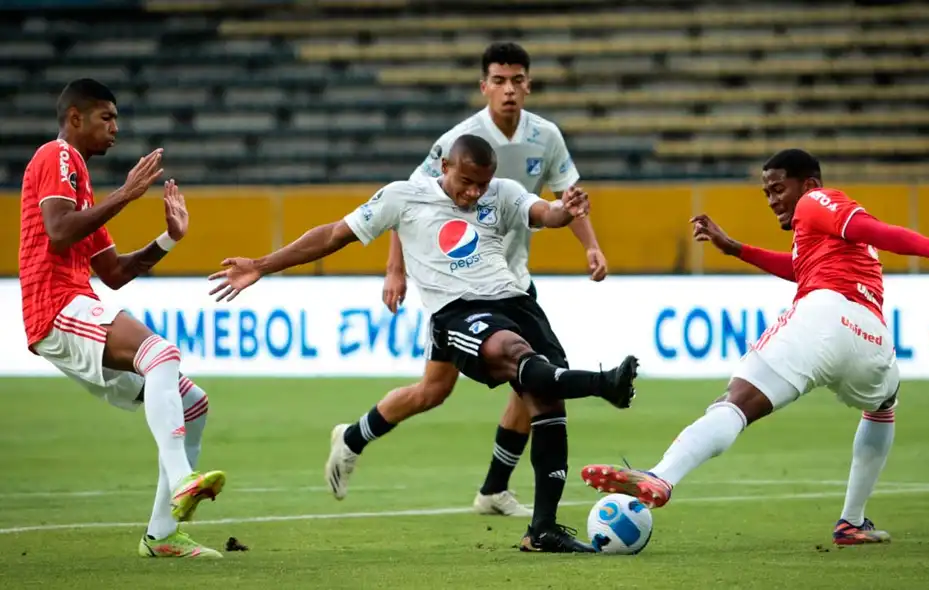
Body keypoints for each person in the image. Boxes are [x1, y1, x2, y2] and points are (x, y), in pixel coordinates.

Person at [209, 135, 638, 553]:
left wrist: (565, 210)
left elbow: (544, 212)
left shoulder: (503, 192)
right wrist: (262, 265)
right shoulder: (404, 196)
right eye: (466, 182)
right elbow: (333, 235)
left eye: (482, 184)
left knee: (539, 398)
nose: (474, 193)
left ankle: (542, 530)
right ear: (445, 167)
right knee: (509, 355)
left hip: (516, 302)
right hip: (458, 310)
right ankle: (603, 384)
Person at [580, 148, 929, 545]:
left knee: (735, 403)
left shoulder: (817, 202)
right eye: (766, 192)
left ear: (809, 184)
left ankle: (663, 476)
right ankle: (852, 522)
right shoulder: (818, 236)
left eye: (778, 188)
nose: (771, 200)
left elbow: (873, 228)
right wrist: (736, 249)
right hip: (871, 338)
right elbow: (800, 267)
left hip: (823, 313)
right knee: (883, 404)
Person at [383, 41, 609, 517]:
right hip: (458, 288)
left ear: (529, 85)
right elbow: (407, 201)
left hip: (512, 282)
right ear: (484, 86)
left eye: (517, 81)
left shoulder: (546, 136)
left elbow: (567, 197)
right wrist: (395, 269)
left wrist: (590, 244)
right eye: (500, 81)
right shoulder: (457, 140)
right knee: (434, 391)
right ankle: (355, 436)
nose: (509, 90)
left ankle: (495, 489)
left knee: (532, 381)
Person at [18, 78, 226, 558]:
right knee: (161, 353)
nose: (115, 128)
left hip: (76, 302)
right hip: (55, 305)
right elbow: (57, 231)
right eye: (106, 117)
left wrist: (169, 239)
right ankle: (183, 479)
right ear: (75, 118)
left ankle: (162, 536)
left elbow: (113, 273)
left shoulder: (82, 186)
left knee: (193, 404)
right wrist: (127, 194)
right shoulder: (57, 156)